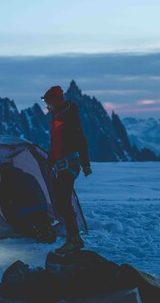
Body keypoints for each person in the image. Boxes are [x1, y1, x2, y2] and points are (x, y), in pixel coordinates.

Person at [41, 85, 92, 254]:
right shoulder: (57, 116)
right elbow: (56, 144)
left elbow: (81, 140)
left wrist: (85, 164)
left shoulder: (69, 116)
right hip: (60, 163)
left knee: (64, 200)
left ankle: (73, 239)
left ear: (56, 101)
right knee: (61, 200)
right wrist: (50, 160)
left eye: (48, 102)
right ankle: (73, 237)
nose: (47, 106)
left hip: (70, 164)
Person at [0, 162, 56, 243]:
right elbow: (41, 193)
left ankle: (33, 229)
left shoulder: (4, 182)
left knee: (26, 223)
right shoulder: (29, 176)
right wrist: (45, 209)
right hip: (41, 208)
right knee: (39, 219)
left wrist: (10, 220)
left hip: (24, 212)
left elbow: (4, 204)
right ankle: (43, 226)